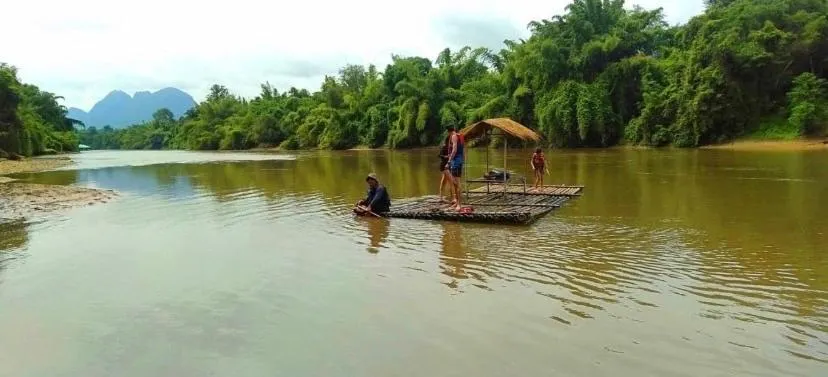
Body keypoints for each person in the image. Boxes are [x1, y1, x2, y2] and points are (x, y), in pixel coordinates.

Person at [444, 125, 465, 211]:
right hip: (458, 161)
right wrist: (463, 159)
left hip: (455, 162)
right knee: (455, 183)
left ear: (449, 131)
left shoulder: (453, 136)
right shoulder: (460, 136)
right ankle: (457, 202)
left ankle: (459, 204)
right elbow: (463, 150)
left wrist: (449, 161)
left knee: (457, 183)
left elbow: (454, 150)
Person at [438, 135, 451, 202]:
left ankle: (441, 197)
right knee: (450, 180)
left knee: (444, 181)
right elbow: (439, 155)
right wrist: (446, 156)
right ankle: (453, 197)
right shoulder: (444, 147)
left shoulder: (449, 147)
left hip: (447, 165)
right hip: (444, 166)